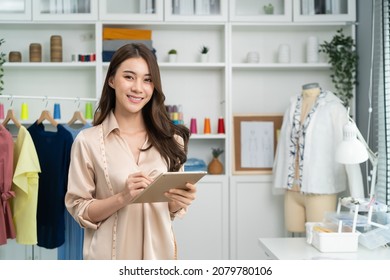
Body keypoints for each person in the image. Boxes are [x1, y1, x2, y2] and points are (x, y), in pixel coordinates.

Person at [65, 43, 196, 260]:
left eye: (147, 79)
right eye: (129, 77)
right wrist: (123, 197)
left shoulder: (173, 141)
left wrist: (178, 201)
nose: (138, 88)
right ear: (111, 80)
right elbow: (79, 210)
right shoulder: (87, 142)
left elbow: (169, 212)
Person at [272, 83, 364, 234]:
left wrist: (358, 198)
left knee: (320, 238)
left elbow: (349, 150)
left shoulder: (333, 107)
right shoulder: (292, 105)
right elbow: (282, 147)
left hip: (320, 191)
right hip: (292, 190)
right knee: (292, 241)